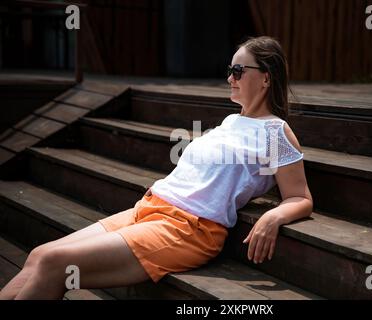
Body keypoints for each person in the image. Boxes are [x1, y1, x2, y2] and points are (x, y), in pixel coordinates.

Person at [0, 36, 313, 300]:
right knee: (39, 255)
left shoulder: (275, 133)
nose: (229, 78)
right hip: (150, 207)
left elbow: (299, 197)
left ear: (266, 78)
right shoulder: (233, 121)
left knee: (55, 263)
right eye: (229, 70)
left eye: (238, 70)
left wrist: (273, 216)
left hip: (189, 229)